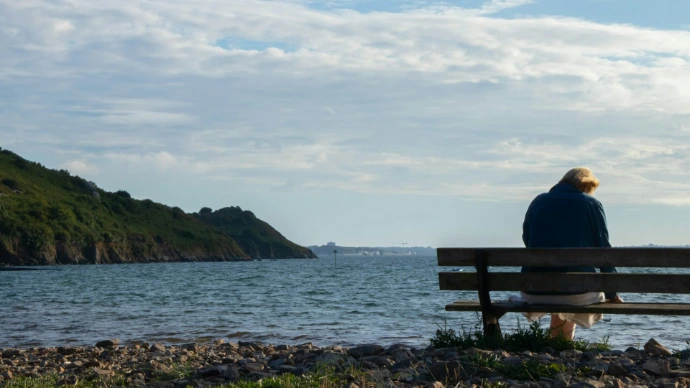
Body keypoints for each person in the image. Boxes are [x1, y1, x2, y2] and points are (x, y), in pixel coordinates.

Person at [520, 167, 624, 340]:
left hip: (534, 290)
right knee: (573, 288)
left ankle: (557, 346)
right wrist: (612, 294)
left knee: (563, 285)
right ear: (585, 185)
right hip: (575, 294)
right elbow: (603, 251)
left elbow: (527, 238)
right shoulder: (591, 204)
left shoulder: (538, 201)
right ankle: (563, 345)